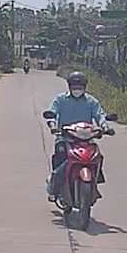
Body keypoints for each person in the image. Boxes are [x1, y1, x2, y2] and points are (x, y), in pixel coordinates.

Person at [45, 71, 110, 202]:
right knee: (61, 154)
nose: (77, 90)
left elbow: (100, 115)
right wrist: (53, 125)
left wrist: (105, 127)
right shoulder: (61, 99)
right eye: (74, 87)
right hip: (65, 138)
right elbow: (52, 113)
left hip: (86, 139)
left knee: (98, 156)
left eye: (80, 87)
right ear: (69, 86)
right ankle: (55, 185)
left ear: (84, 87)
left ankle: (94, 183)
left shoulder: (91, 101)